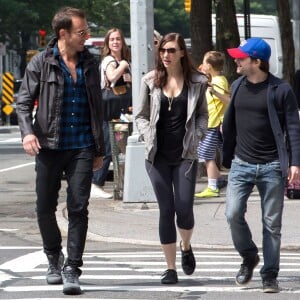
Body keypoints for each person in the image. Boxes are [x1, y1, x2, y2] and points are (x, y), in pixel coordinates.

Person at [16, 7, 105, 295]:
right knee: (44, 207)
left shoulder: (91, 64)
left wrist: (99, 149)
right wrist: (28, 133)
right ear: (63, 33)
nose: (86, 37)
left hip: (81, 145)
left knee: (79, 206)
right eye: (82, 32)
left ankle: (72, 268)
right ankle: (54, 258)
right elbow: (23, 102)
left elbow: (97, 109)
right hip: (49, 146)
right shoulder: (41, 63)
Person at [223, 37, 300, 293]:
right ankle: (249, 256)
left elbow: (293, 128)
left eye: (241, 58)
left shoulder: (280, 89)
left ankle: (270, 275)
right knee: (233, 214)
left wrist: (295, 163)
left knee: (272, 225)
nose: (236, 60)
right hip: (241, 164)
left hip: (272, 166)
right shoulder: (236, 86)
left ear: (257, 62)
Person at [135, 32, 208, 284]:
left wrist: (197, 135)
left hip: (185, 155)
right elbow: (141, 115)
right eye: (163, 50)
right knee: (166, 210)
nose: (166, 55)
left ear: (182, 53)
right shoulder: (150, 81)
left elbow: (202, 115)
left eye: (172, 50)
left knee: (184, 208)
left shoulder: (197, 82)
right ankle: (170, 268)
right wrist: (147, 136)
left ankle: (185, 246)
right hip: (157, 157)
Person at [90, 28, 131, 199]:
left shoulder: (124, 60)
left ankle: (121, 183)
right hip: (108, 109)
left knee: (120, 147)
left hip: (121, 109)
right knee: (107, 145)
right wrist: (123, 66)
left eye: (118, 39)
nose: (115, 42)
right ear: (107, 43)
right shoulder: (109, 60)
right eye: (112, 39)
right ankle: (95, 183)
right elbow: (112, 77)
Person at [194, 51, 230, 198]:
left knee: (207, 156)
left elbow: (228, 100)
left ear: (209, 65)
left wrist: (214, 91)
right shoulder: (214, 79)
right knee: (205, 154)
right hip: (211, 124)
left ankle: (213, 187)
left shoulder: (219, 81)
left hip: (213, 125)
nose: (202, 64)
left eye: (204, 61)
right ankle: (218, 180)